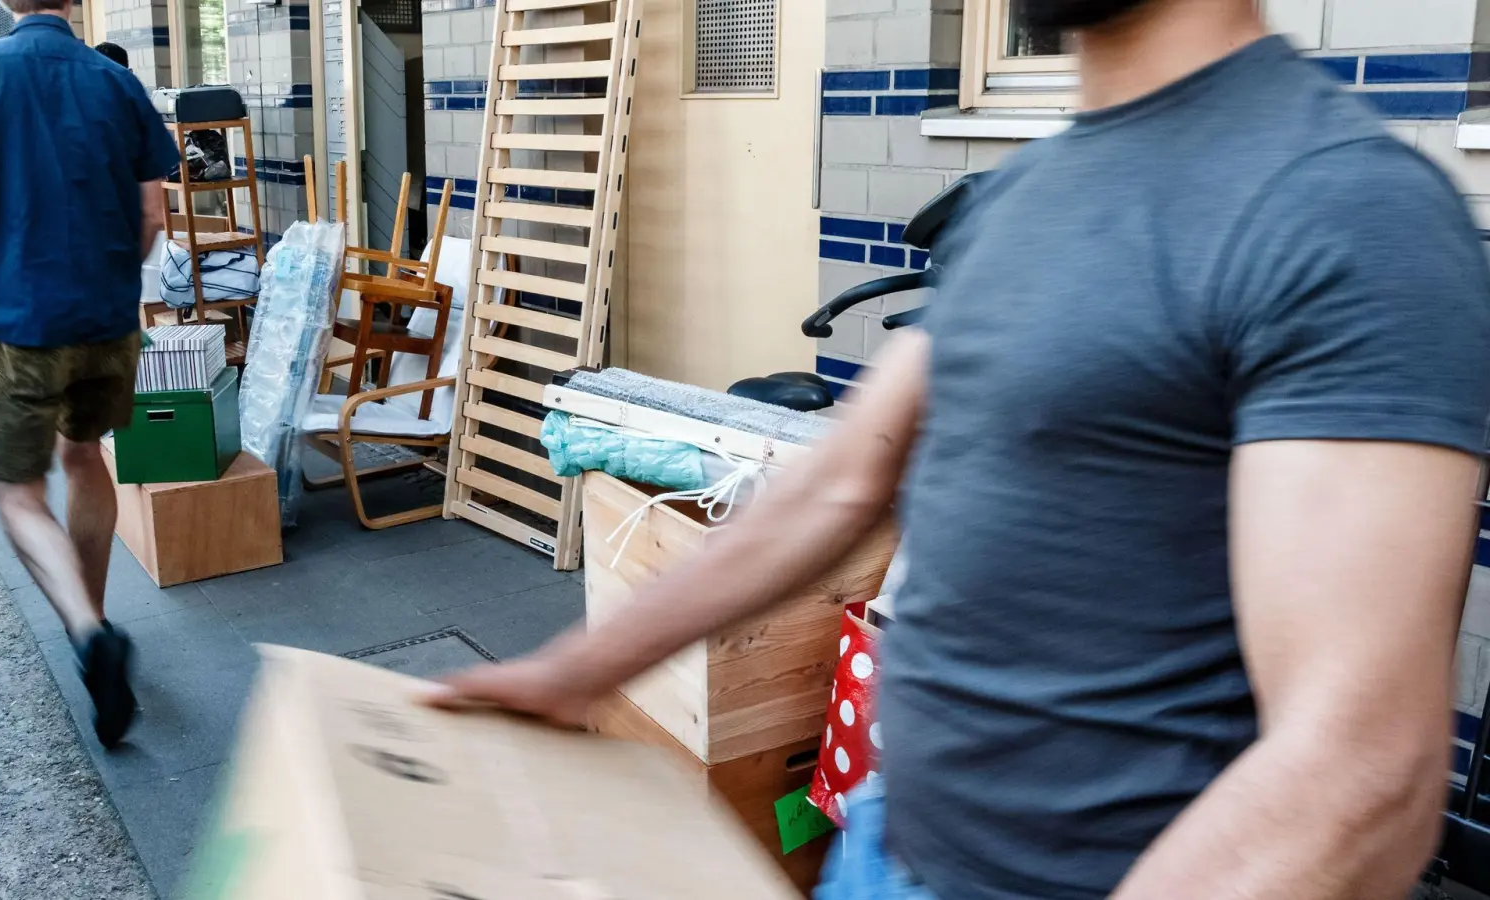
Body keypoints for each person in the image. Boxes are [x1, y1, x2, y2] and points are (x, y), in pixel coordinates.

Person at [428, 0, 1490, 897]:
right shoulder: (1026, 196)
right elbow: (836, 485)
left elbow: (1361, 775)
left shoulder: (1342, 213)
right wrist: (575, 672)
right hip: (889, 843)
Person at [0, 0, 177, 748]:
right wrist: (115, 280)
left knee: (18, 493)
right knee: (84, 457)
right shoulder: (116, 82)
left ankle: (88, 634)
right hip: (107, 317)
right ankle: (93, 620)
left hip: (18, 320)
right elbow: (153, 217)